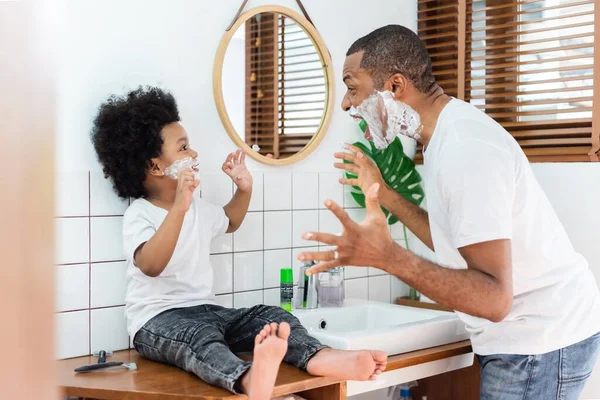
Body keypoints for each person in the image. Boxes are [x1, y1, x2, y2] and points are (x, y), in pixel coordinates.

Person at [298, 25, 600, 399]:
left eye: (352, 86)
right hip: (530, 339)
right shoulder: (445, 135)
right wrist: (387, 195)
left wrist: (389, 257)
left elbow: (494, 299)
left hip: (538, 343)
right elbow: (458, 242)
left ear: (393, 87)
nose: (346, 103)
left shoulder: (464, 148)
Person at [90, 86, 387, 400]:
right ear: (155, 167)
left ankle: (321, 358)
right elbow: (150, 265)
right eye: (183, 148)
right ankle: (247, 379)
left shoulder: (196, 208)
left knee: (273, 316)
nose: (194, 154)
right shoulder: (141, 213)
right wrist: (178, 207)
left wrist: (243, 189)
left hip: (209, 311)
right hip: (157, 321)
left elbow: (230, 221)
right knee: (199, 338)